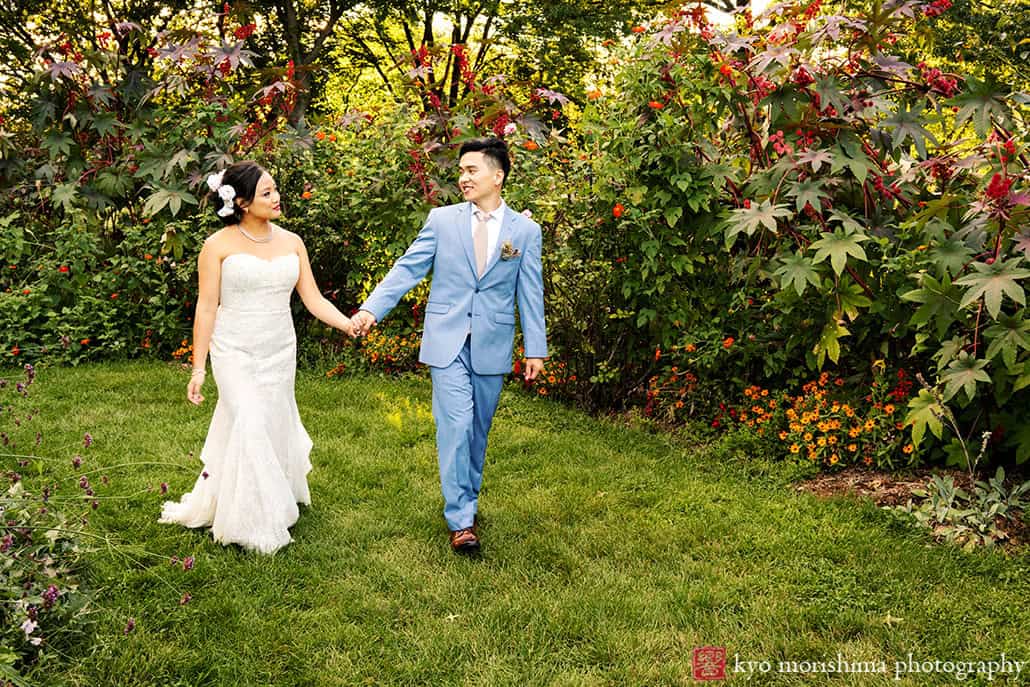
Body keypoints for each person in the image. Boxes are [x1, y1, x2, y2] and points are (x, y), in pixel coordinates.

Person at [352, 137, 547, 554]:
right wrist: (372, 310)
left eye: (472, 170)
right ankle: (460, 520)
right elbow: (408, 268)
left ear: (498, 175)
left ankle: (468, 502)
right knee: (456, 425)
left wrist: (535, 349)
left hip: (492, 342)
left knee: (477, 431)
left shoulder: (526, 232)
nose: (463, 178)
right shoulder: (442, 220)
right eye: (460, 171)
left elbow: (531, 292)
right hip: (447, 339)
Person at [160, 160, 355, 554]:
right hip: (234, 349)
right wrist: (199, 368)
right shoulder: (218, 246)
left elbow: (312, 298)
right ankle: (255, 521)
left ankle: (242, 496)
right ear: (243, 202)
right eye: (267, 193)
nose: (277, 197)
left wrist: (347, 324)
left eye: (275, 189)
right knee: (248, 419)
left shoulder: (292, 242)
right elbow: (207, 308)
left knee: (268, 422)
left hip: (279, 348)